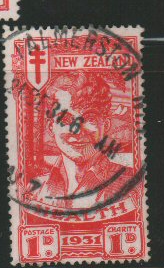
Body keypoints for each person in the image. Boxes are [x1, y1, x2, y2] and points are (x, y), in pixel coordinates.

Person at [31, 70, 133, 210]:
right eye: (65, 119)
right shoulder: (35, 190)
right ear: (51, 126)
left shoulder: (131, 184)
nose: (77, 131)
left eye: (90, 118)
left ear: (106, 125)